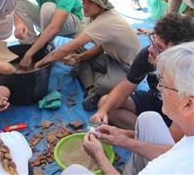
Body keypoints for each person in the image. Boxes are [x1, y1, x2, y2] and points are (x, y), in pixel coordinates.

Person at [67, 42, 194, 175]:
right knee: (148, 118)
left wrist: (99, 156)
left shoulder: (175, 164)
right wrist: (122, 138)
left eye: (164, 85)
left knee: (72, 172)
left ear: (188, 104)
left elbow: (170, 157)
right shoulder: (188, 137)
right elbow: (169, 151)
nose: (158, 88)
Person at [35, 0, 141, 111]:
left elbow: (67, 48)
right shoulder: (99, 15)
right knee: (79, 53)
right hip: (112, 58)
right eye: (84, 1)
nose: (84, 5)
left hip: (129, 69)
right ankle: (91, 86)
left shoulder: (105, 21)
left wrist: (42, 61)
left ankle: (93, 87)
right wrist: (81, 57)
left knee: (101, 86)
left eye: (90, 2)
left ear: (101, 5)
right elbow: (102, 46)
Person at [91, 13, 194, 141]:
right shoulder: (149, 54)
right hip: (155, 102)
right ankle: (147, 136)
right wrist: (103, 111)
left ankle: (150, 138)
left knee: (169, 142)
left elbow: (174, 137)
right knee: (105, 104)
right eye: (152, 40)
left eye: (159, 48)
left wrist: (123, 137)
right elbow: (126, 85)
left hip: (176, 116)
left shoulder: (188, 77)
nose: (150, 49)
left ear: (178, 54)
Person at [14, 0, 83, 69]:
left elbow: (54, 27)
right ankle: (29, 44)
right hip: (46, 19)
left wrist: (29, 54)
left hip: (71, 22)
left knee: (47, 7)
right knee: (16, 2)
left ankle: (44, 47)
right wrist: (18, 23)